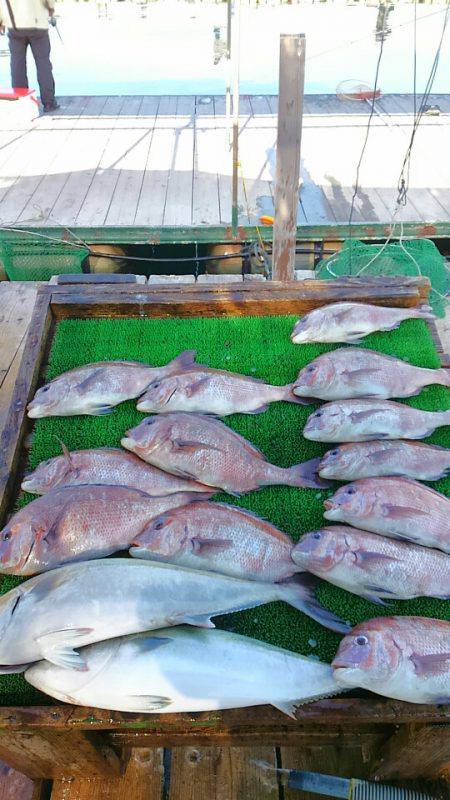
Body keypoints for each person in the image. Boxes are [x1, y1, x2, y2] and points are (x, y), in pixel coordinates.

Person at [0, 0, 59, 113]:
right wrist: (51, 8)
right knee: (43, 65)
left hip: (14, 25)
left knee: (17, 66)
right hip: (38, 26)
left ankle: (21, 103)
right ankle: (48, 103)